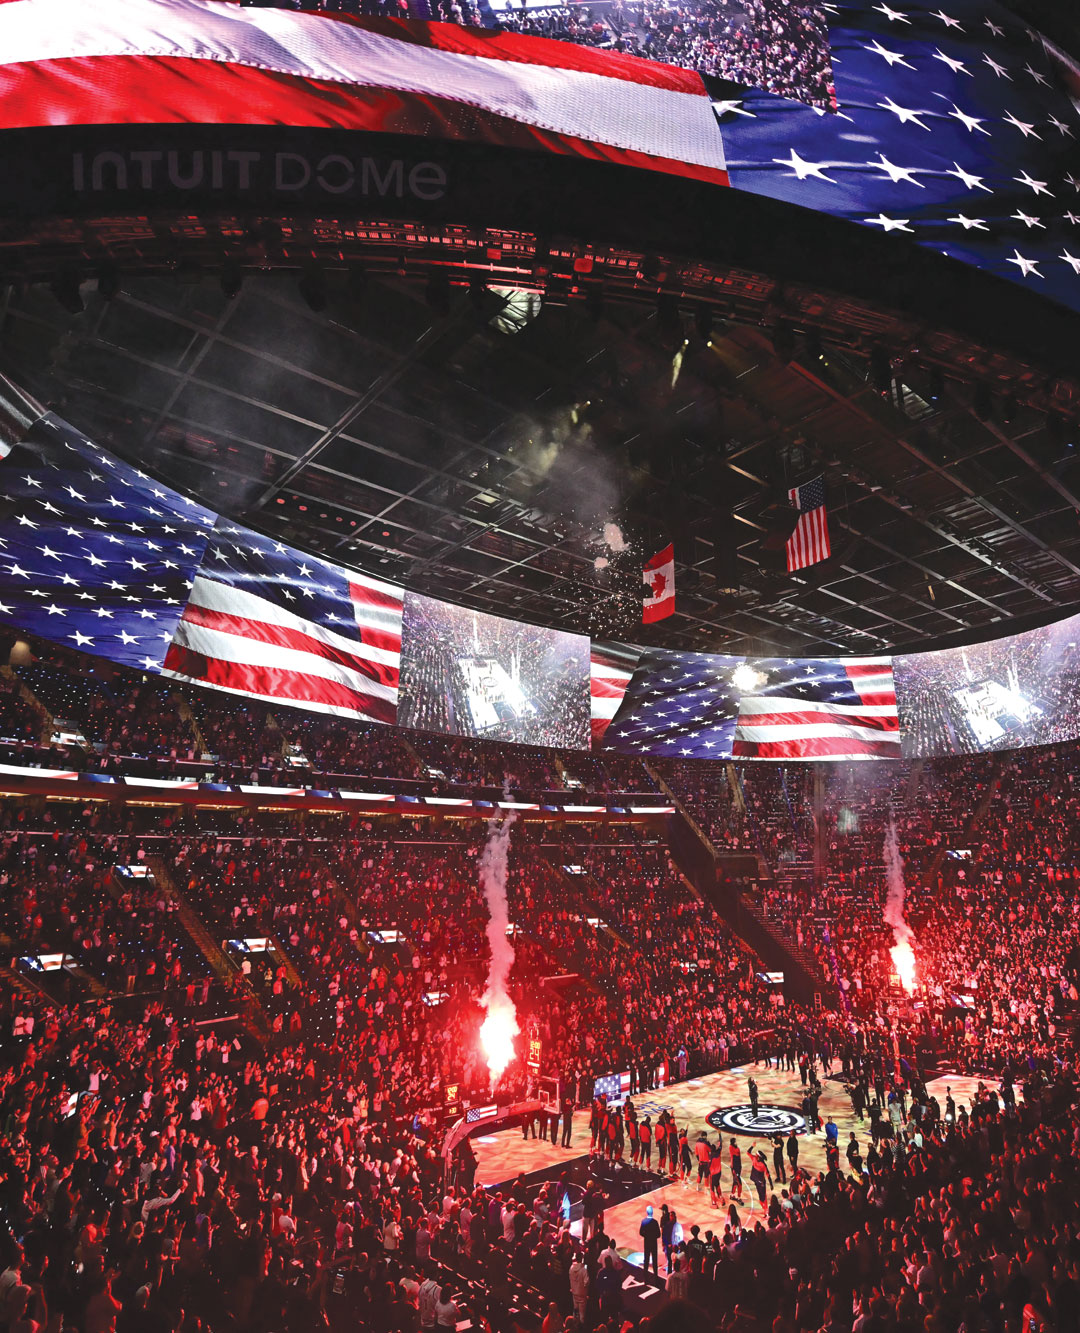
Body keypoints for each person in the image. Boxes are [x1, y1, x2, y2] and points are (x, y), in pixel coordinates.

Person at [639, 1204, 661, 1276]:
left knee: (646, 1260)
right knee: (655, 1261)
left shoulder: (644, 1221)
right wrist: (653, 1236)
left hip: (647, 1243)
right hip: (654, 1243)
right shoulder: (655, 1222)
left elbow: (641, 1232)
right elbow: (658, 1234)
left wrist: (647, 1236)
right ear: (652, 1212)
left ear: (647, 1212)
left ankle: (645, 1277)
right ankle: (656, 1277)